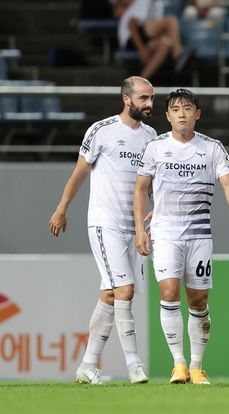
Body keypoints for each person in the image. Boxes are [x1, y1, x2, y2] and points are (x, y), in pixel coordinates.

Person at [48, 76, 157, 385]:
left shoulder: (151, 136)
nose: (150, 104)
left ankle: (86, 366)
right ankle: (135, 365)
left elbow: (149, 183)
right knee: (125, 291)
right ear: (127, 99)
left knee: (110, 294)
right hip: (104, 222)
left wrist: (156, 211)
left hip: (134, 227)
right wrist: (62, 208)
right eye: (144, 99)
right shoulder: (101, 130)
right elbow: (80, 171)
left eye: (152, 98)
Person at [133, 88, 229, 385]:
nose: (181, 113)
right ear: (167, 115)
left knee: (198, 300)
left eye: (187, 108)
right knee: (169, 292)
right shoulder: (156, 147)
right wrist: (138, 230)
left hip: (199, 233)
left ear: (198, 113)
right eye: (175, 109)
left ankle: (197, 366)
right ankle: (178, 364)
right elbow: (140, 189)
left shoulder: (212, 148)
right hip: (166, 231)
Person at [118, 0, 190, 79]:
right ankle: (178, 56)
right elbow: (131, 25)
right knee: (171, 21)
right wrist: (141, 49)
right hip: (130, 38)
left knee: (165, 43)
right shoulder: (143, 1)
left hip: (144, 37)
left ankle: (142, 80)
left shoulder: (159, 4)